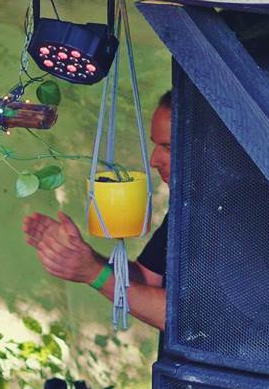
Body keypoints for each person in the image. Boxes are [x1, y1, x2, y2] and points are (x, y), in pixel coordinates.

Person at [22, 90, 171, 331]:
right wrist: (84, 259)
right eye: (155, 145)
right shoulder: (185, 212)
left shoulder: (228, 216)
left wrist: (94, 274)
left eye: (168, 147)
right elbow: (148, 281)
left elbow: (190, 320)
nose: (154, 160)